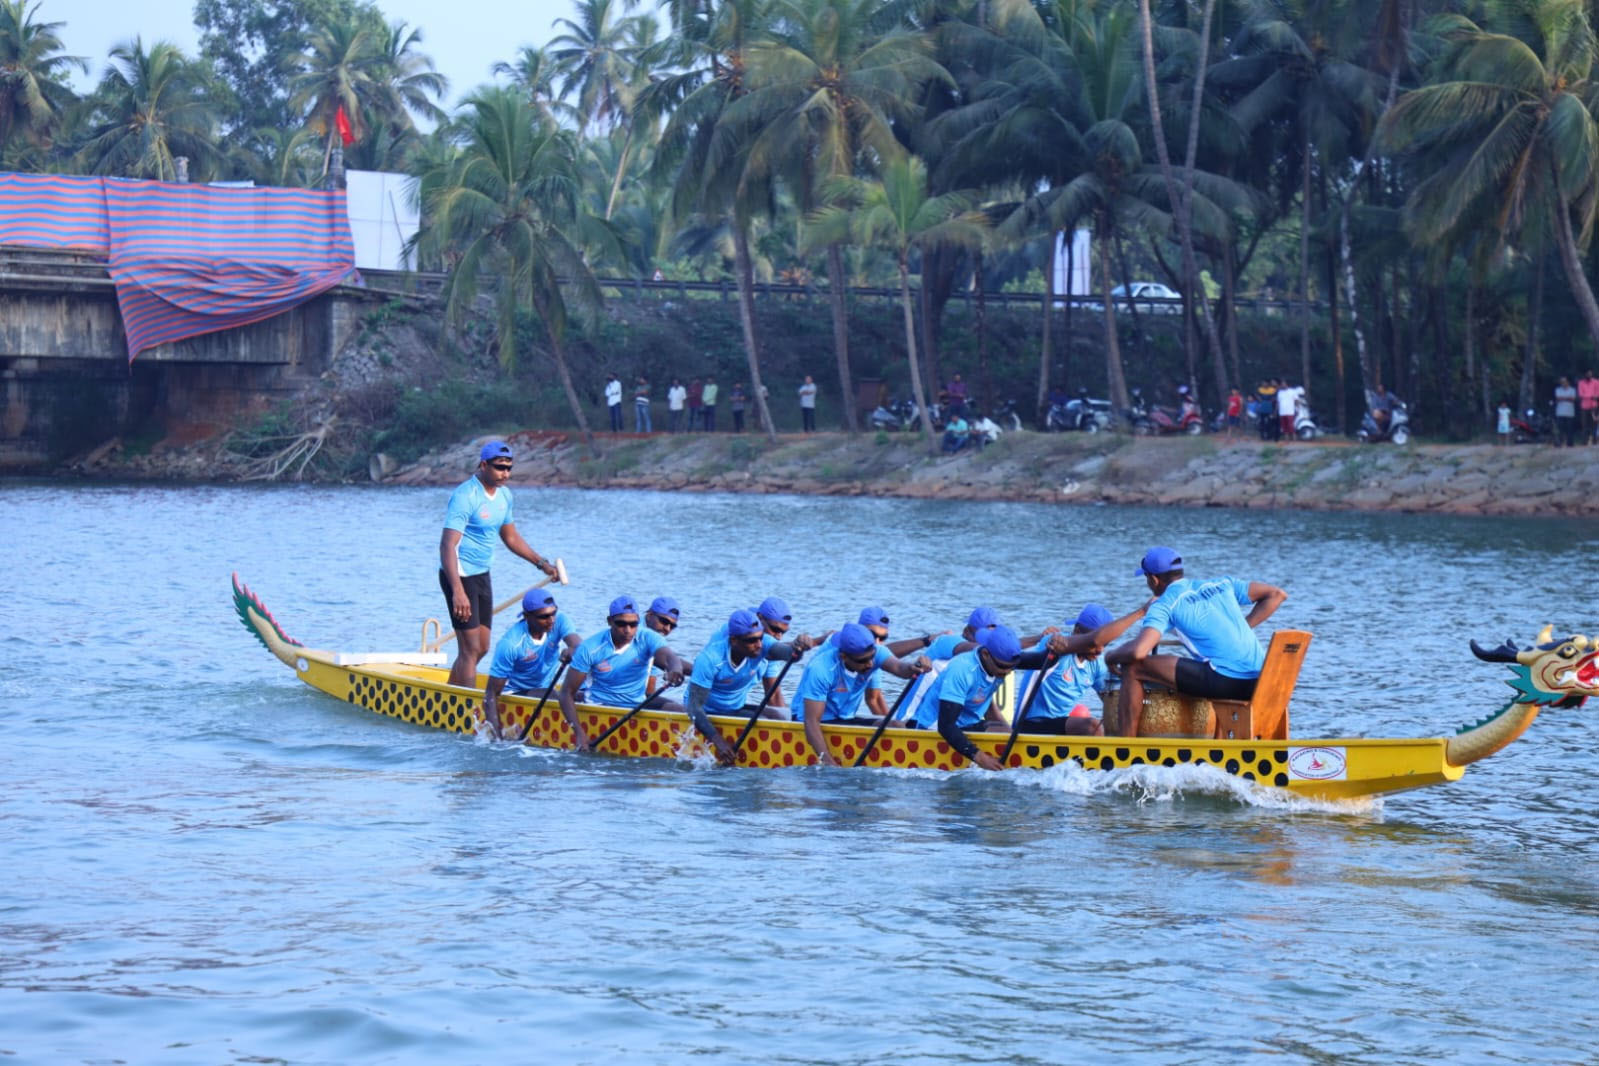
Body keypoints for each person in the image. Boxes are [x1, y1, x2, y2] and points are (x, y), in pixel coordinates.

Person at [1105, 547, 1287, 738]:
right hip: (1261, 681)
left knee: (1133, 667)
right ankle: (1218, 743)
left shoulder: (1165, 603)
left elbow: (1139, 652)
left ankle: (1126, 747)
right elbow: (1277, 594)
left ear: (1153, 579)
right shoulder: (1223, 584)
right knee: (1210, 661)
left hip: (1227, 683)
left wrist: (1111, 656)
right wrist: (1243, 627)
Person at [439, 441, 560, 688]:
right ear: (484, 465)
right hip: (459, 575)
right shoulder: (466, 496)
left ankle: (451, 692)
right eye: (499, 467)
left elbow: (511, 537)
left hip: (482, 574)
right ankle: (466, 707)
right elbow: (447, 546)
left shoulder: (505, 496)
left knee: (481, 647)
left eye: (509, 468)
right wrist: (458, 592)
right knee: (470, 649)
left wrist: (541, 563)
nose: (505, 473)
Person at [916, 626, 1081, 771]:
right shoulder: (962, 670)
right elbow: (946, 726)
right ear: (986, 654)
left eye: (1011, 668)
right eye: (1002, 668)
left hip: (965, 726)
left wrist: (1056, 649)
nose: (1007, 672)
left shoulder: (1003, 660)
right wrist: (980, 757)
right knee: (1003, 731)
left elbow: (1041, 661)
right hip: (933, 731)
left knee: (1005, 729)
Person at [558, 595, 692, 750]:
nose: (628, 630)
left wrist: (675, 669)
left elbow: (670, 657)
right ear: (609, 622)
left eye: (633, 624)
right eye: (621, 624)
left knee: (682, 711)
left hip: (636, 705)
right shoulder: (590, 648)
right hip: (601, 707)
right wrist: (579, 734)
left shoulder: (648, 638)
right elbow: (566, 693)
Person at [795, 622, 932, 766]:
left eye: (872, 657)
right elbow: (811, 722)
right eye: (863, 661)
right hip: (814, 722)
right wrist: (829, 763)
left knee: (897, 726)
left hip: (843, 719)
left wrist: (913, 667)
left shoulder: (876, 652)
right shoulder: (821, 669)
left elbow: (900, 668)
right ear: (843, 656)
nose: (871, 664)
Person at [684, 608, 810, 764]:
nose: (758, 645)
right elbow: (694, 708)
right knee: (764, 721)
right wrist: (719, 742)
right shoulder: (710, 658)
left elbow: (788, 654)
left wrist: (798, 647)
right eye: (751, 641)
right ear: (734, 641)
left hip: (735, 707)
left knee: (783, 715)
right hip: (709, 712)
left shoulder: (763, 644)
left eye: (760, 638)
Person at [1011, 604, 1144, 736]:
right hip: (1028, 726)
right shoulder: (1057, 643)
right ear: (1077, 632)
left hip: (1058, 726)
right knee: (1092, 727)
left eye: (1105, 644)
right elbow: (1055, 642)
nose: (1100, 650)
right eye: (1094, 644)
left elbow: (1112, 699)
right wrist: (1140, 612)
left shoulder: (1096, 664)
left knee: (1114, 721)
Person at [480, 587, 581, 738]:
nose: (551, 619)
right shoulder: (511, 644)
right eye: (544, 616)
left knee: (583, 695)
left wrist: (572, 650)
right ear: (527, 617)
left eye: (553, 613)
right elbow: (491, 694)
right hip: (516, 692)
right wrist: (496, 739)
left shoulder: (560, 621)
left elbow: (579, 646)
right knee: (558, 696)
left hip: (545, 689)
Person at [643, 595, 683, 704]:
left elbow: (648, 693)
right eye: (664, 621)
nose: (667, 629)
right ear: (649, 616)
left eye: (672, 626)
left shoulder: (657, 644)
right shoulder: (634, 631)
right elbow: (669, 660)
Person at [1554, 376, 1578, 447]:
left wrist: (1563, 398)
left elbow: (1573, 399)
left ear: (1568, 382)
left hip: (1570, 412)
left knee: (1569, 429)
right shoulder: (1558, 389)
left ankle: (1570, 443)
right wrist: (1567, 398)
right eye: (1561, 382)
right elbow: (1558, 398)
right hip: (1560, 412)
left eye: (1564, 381)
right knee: (1560, 429)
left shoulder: (1572, 390)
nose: (1562, 383)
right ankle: (1559, 443)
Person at [1580, 369, 1599, 444]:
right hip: (1584, 406)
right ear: (1585, 374)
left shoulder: (1596, 382)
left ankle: (1594, 441)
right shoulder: (1581, 383)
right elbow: (1581, 394)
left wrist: (1589, 396)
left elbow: (1597, 394)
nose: (1589, 375)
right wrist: (1591, 396)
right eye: (1588, 374)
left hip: (1594, 406)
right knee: (1584, 424)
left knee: (1594, 424)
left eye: (1590, 374)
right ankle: (1584, 441)